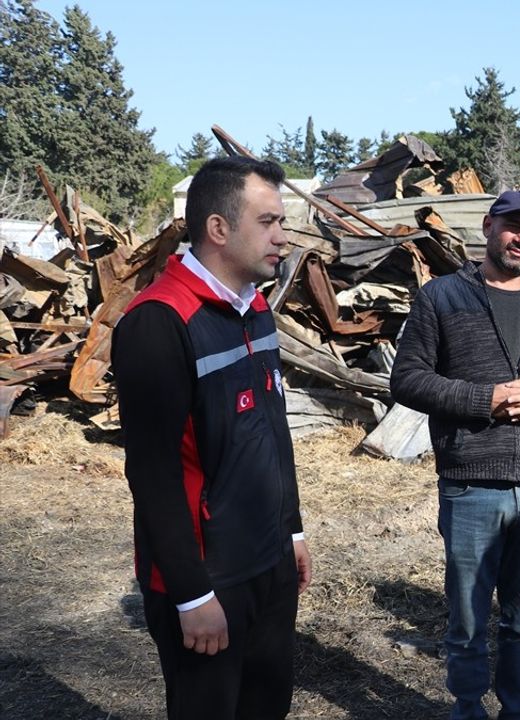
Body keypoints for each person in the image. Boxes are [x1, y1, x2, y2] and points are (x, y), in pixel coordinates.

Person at [112, 156, 312, 720]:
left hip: (268, 562)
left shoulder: (256, 308)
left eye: (282, 221)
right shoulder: (159, 321)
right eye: (268, 222)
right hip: (210, 578)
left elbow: (273, 433)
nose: (283, 236)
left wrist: (291, 529)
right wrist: (191, 593)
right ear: (218, 228)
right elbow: (151, 472)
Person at [390, 189, 520, 720]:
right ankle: (469, 707)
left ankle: (518, 710)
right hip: (471, 483)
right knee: (469, 621)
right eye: (513, 226)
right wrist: (487, 399)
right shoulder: (442, 297)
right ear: (487, 227)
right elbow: (406, 378)